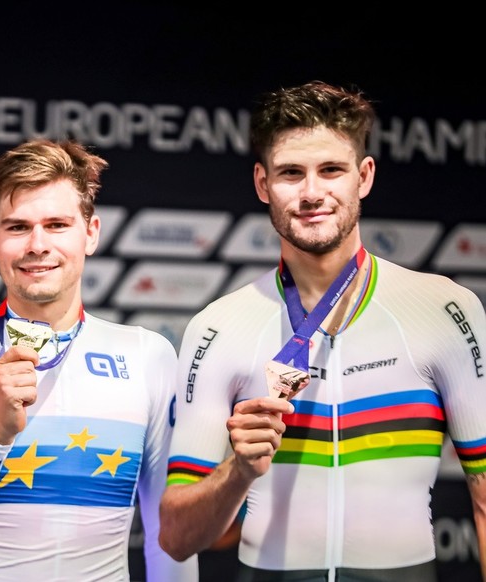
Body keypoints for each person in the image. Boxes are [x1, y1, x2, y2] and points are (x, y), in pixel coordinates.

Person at [159, 80, 486, 581]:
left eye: (330, 170)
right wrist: (238, 472)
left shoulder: (444, 309)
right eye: (291, 173)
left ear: (364, 176)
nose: (312, 193)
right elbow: (177, 539)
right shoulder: (218, 327)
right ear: (263, 183)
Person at [0, 138, 199, 581]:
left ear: (91, 233)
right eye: (17, 227)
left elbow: (168, 539)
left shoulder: (147, 355)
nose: (38, 245)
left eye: (57, 224)